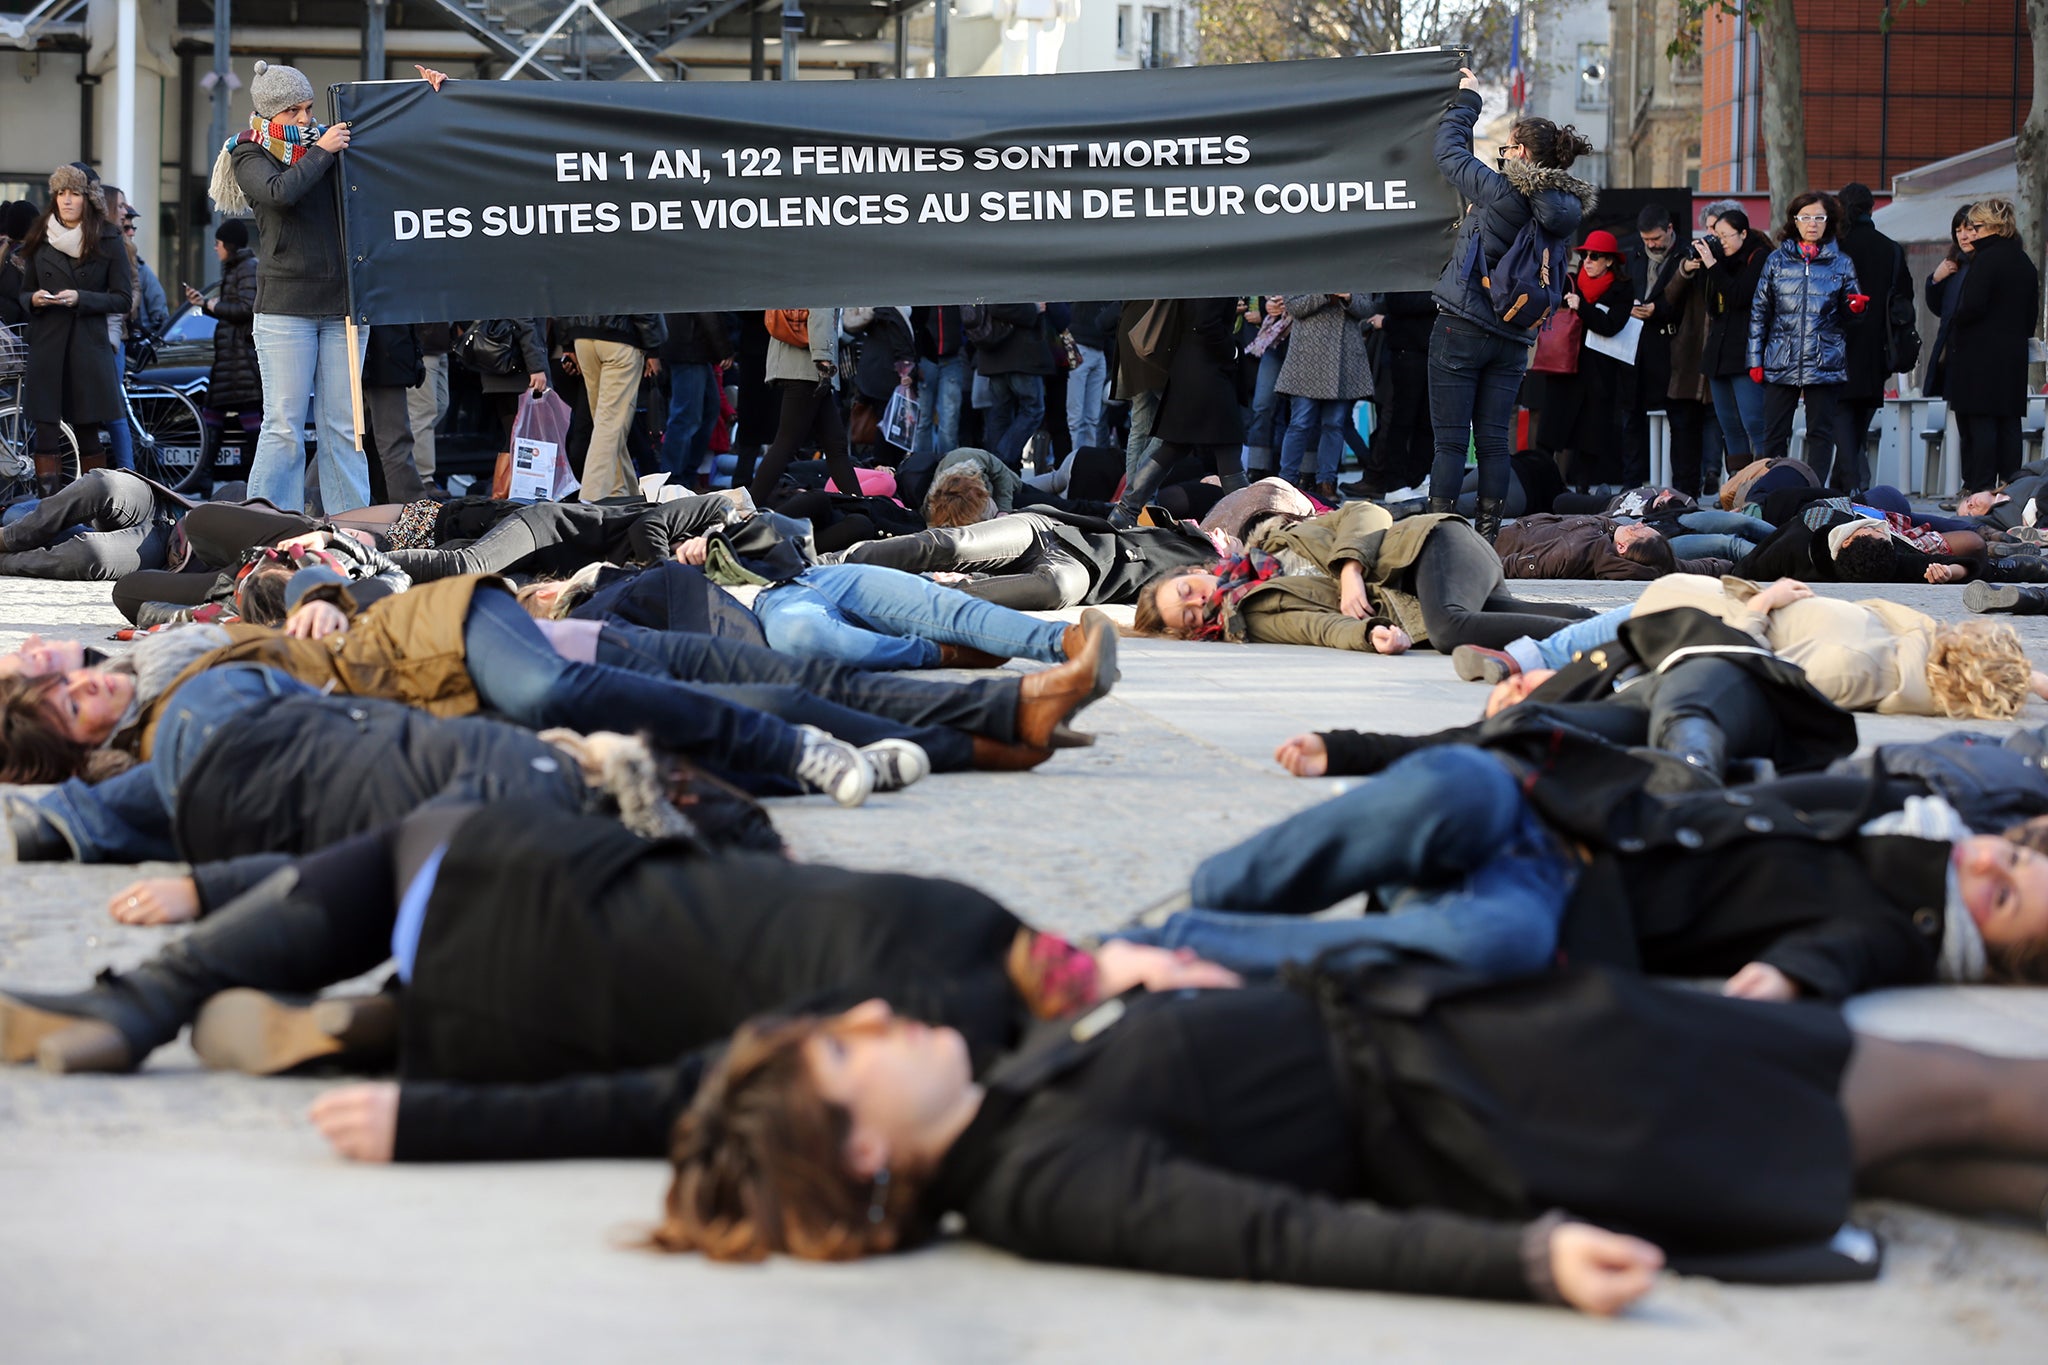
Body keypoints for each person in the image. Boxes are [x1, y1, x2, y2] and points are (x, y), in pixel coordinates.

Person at [654, 965, 2048, 1311]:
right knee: (1962, 1093)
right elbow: (1273, 1236)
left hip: (1518, 1055)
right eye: (849, 1050)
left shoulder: (1011, 1103)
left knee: (1928, 1147)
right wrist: (1522, 1260)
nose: (880, 1015)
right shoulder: (1038, 1179)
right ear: (857, 1156)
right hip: (1556, 1101)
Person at [1428, 67, 1597, 531]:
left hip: (1462, 323)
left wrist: (1467, 101)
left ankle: (1437, 540)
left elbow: (1447, 153)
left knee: (1448, 443)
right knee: (1495, 443)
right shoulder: (1564, 210)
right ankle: (1486, 537)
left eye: (1508, 146)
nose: (1504, 154)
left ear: (1522, 152)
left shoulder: (1503, 192)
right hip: (1514, 336)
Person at [207, 60, 371, 514]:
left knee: (345, 427)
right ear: (268, 114)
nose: (304, 118)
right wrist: (322, 151)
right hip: (284, 310)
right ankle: (270, 526)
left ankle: (352, 526)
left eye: (308, 108)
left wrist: (431, 91)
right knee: (283, 425)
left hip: (343, 306)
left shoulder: (332, 144)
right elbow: (279, 193)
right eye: (293, 112)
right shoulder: (247, 152)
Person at [1133, 502, 1595, 654]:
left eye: (1187, 591)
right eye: (1190, 616)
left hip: (1434, 543)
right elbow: (1320, 629)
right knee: (1506, 619)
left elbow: (1367, 511)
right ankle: (1608, 626)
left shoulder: (1277, 541)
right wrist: (1371, 634)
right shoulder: (1252, 616)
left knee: (1449, 628)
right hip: (1431, 584)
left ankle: (1604, 645)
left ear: (1196, 572)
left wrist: (1350, 570)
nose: (1199, 603)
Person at [16, 163, 132, 495]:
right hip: (48, 346)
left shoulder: (109, 239)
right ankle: (47, 511)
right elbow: (23, 292)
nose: (67, 200)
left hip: (86, 347)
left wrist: (82, 298)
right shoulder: (40, 236)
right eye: (61, 193)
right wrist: (35, 299)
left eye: (75, 194)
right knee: (46, 432)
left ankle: (97, 506)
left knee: (88, 432)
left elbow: (123, 299)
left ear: (88, 199)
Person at [1749, 192, 1869, 477]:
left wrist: (1855, 308)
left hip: (1824, 358)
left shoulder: (1842, 263)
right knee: (1775, 432)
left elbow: (1852, 314)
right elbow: (1759, 313)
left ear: (1830, 222)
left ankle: (1814, 494)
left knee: (1821, 433)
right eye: (1805, 217)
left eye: (1819, 218)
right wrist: (1755, 359)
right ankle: (1772, 490)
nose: (1812, 224)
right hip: (1781, 356)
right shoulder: (1777, 261)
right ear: (1794, 221)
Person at [1111, 298, 1249, 522]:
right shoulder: (1218, 270)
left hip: (1186, 367)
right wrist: (1231, 352)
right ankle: (1249, 520)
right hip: (1209, 372)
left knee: (1172, 447)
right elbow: (1206, 323)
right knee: (1228, 452)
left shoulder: (1198, 269)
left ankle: (1125, 511)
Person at [1944, 199, 2042, 495]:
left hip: (1979, 355)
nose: (1971, 233)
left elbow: (1972, 306)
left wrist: (1955, 321)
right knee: (2009, 422)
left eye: (1976, 226)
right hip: (2012, 355)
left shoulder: (1985, 260)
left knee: (1980, 422)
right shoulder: (2023, 261)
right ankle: (2013, 488)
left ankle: (1980, 488)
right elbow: (2031, 315)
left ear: (1991, 227)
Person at [1536, 230, 1637, 498]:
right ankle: (1542, 485)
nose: (1588, 260)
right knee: (1552, 430)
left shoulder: (1622, 289)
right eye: (1585, 255)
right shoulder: (1568, 282)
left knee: (1590, 436)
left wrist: (1582, 307)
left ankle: (1582, 490)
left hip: (1599, 374)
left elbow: (1611, 325)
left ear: (1609, 261)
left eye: (1595, 256)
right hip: (1564, 368)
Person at [1832, 184, 1913, 491]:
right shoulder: (1890, 248)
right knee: (1859, 420)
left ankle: (1852, 481)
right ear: (1871, 208)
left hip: (1838, 342)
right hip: (1879, 345)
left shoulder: (1837, 247)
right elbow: (1904, 295)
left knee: (1839, 415)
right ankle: (1847, 482)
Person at [175, 219, 262, 497]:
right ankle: (205, 476)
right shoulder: (236, 268)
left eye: (218, 243)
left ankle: (253, 478)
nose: (215, 248)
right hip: (230, 359)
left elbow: (247, 308)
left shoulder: (247, 268)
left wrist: (209, 304)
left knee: (248, 415)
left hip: (240, 358)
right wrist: (204, 304)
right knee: (215, 413)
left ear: (229, 245)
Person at [741, 308, 861, 503]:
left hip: (799, 365)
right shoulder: (821, 276)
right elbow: (820, 311)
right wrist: (824, 361)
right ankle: (749, 507)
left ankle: (861, 505)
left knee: (835, 445)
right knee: (787, 443)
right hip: (809, 368)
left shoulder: (795, 278)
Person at [1269, 291, 1373, 506]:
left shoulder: (1357, 265)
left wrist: (1348, 297)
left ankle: (1327, 482)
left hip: (1345, 355)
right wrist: (1324, 294)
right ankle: (1286, 481)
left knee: (1334, 425)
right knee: (1300, 423)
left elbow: (1368, 308)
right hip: (1307, 355)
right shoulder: (1308, 263)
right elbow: (1295, 306)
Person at [558, 311, 666, 502]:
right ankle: (592, 495)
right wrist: (653, 348)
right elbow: (641, 298)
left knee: (605, 424)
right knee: (610, 424)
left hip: (582, 337)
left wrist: (567, 341)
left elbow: (561, 292)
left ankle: (624, 491)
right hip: (621, 339)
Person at [1698, 205, 1774, 466]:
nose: (1720, 242)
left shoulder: (1760, 257)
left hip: (1745, 354)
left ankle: (1766, 482)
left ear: (1743, 233)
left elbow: (1740, 296)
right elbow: (1711, 304)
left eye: (1725, 236)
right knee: (1729, 425)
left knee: (1755, 422)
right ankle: (1737, 486)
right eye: (1715, 236)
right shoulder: (1721, 262)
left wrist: (1713, 265)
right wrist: (1705, 266)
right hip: (1718, 354)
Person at [972, 303, 1054, 472]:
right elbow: (999, 307)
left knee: (1000, 413)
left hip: (995, 357)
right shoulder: (1012, 280)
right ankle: (1000, 460)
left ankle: (1000, 467)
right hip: (1019, 357)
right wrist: (1034, 309)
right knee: (1033, 410)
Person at [657, 312, 736, 486]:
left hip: (689, 346)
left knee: (705, 410)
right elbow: (707, 312)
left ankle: (681, 475)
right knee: (688, 416)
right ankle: (674, 478)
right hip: (690, 347)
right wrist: (723, 349)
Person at [1923, 206, 1977, 401]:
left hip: (1971, 356)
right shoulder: (1954, 264)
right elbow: (1939, 308)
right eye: (1958, 231)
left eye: (1969, 229)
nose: (1963, 236)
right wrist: (1935, 280)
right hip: (1947, 353)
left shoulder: (1984, 265)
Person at [1064, 301, 1116, 450]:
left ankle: (1081, 461)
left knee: (1087, 417)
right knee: (1082, 417)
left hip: (1092, 346)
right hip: (1086, 345)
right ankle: (1078, 462)